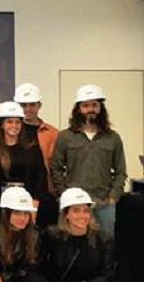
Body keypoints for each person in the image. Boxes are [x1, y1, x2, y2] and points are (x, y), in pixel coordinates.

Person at [41, 187, 122, 282]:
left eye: (86, 211)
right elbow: (43, 266)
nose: (82, 216)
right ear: (66, 214)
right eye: (76, 211)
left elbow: (109, 273)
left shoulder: (103, 239)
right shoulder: (52, 236)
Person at [51, 85, 127, 237]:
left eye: (94, 105)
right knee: (71, 243)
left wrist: (113, 197)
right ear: (78, 109)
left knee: (105, 244)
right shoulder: (65, 137)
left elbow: (121, 171)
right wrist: (64, 194)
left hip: (104, 204)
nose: (90, 109)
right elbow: (56, 168)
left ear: (101, 108)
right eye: (85, 105)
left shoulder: (113, 138)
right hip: (73, 204)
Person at [0, 102, 47, 207]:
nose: (14, 126)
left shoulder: (32, 149)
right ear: (2, 125)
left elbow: (41, 178)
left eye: (17, 122)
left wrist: (34, 205)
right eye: (9, 122)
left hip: (27, 203)